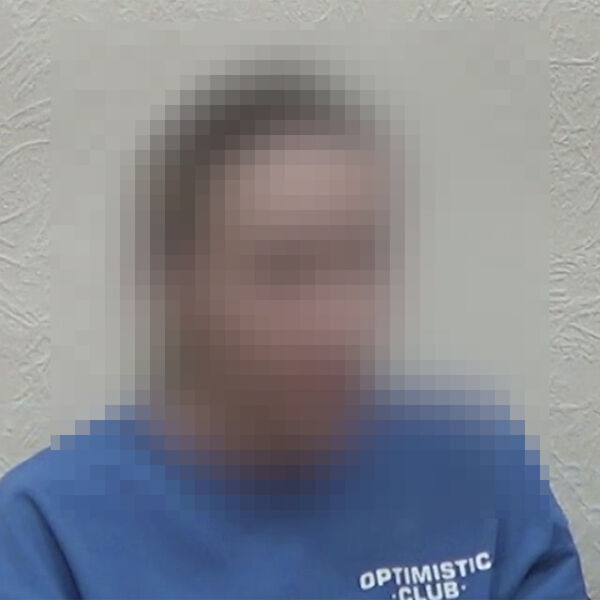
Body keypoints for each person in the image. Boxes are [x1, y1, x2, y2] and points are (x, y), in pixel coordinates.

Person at [0, 54, 589, 599]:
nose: (344, 321)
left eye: (365, 260)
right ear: (176, 287)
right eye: (283, 270)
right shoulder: (46, 531)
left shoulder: (480, 473)